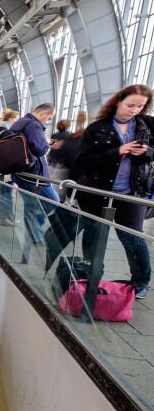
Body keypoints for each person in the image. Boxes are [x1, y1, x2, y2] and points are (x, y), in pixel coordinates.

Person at [77, 85, 154, 298]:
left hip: (132, 193)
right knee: (93, 236)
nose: (135, 110)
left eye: (140, 106)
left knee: (133, 239)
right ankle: (91, 276)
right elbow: (83, 161)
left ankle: (140, 283)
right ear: (118, 101)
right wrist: (117, 151)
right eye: (131, 105)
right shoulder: (97, 128)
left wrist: (147, 151)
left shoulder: (147, 125)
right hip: (98, 191)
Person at [10, 103, 59, 247]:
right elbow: (39, 149)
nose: (47, 121)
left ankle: (34, 235)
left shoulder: (20, 123)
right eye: (49, 118)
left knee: (30, 205)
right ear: (44, 114)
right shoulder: (34, 125)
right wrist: (47, 142)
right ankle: (35, 231)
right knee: (53, 201)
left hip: (20, 171)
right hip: (34, 174)